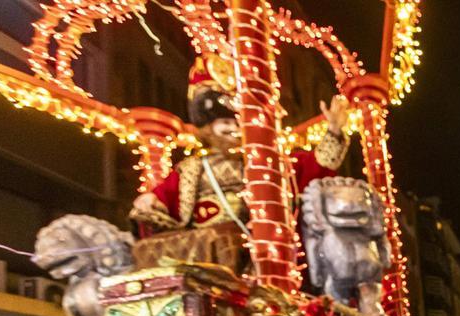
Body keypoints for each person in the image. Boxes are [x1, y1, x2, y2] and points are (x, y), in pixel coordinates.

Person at [130, 54, 349, 233]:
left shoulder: (265, 161)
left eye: (237, 122)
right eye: (225, 122)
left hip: (257, 245)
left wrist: (334, 131)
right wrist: (150, 200)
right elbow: (163, 196)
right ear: (208, 127)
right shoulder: (190, 169)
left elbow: (318, 164)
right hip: (205, 251)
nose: (233, 128)